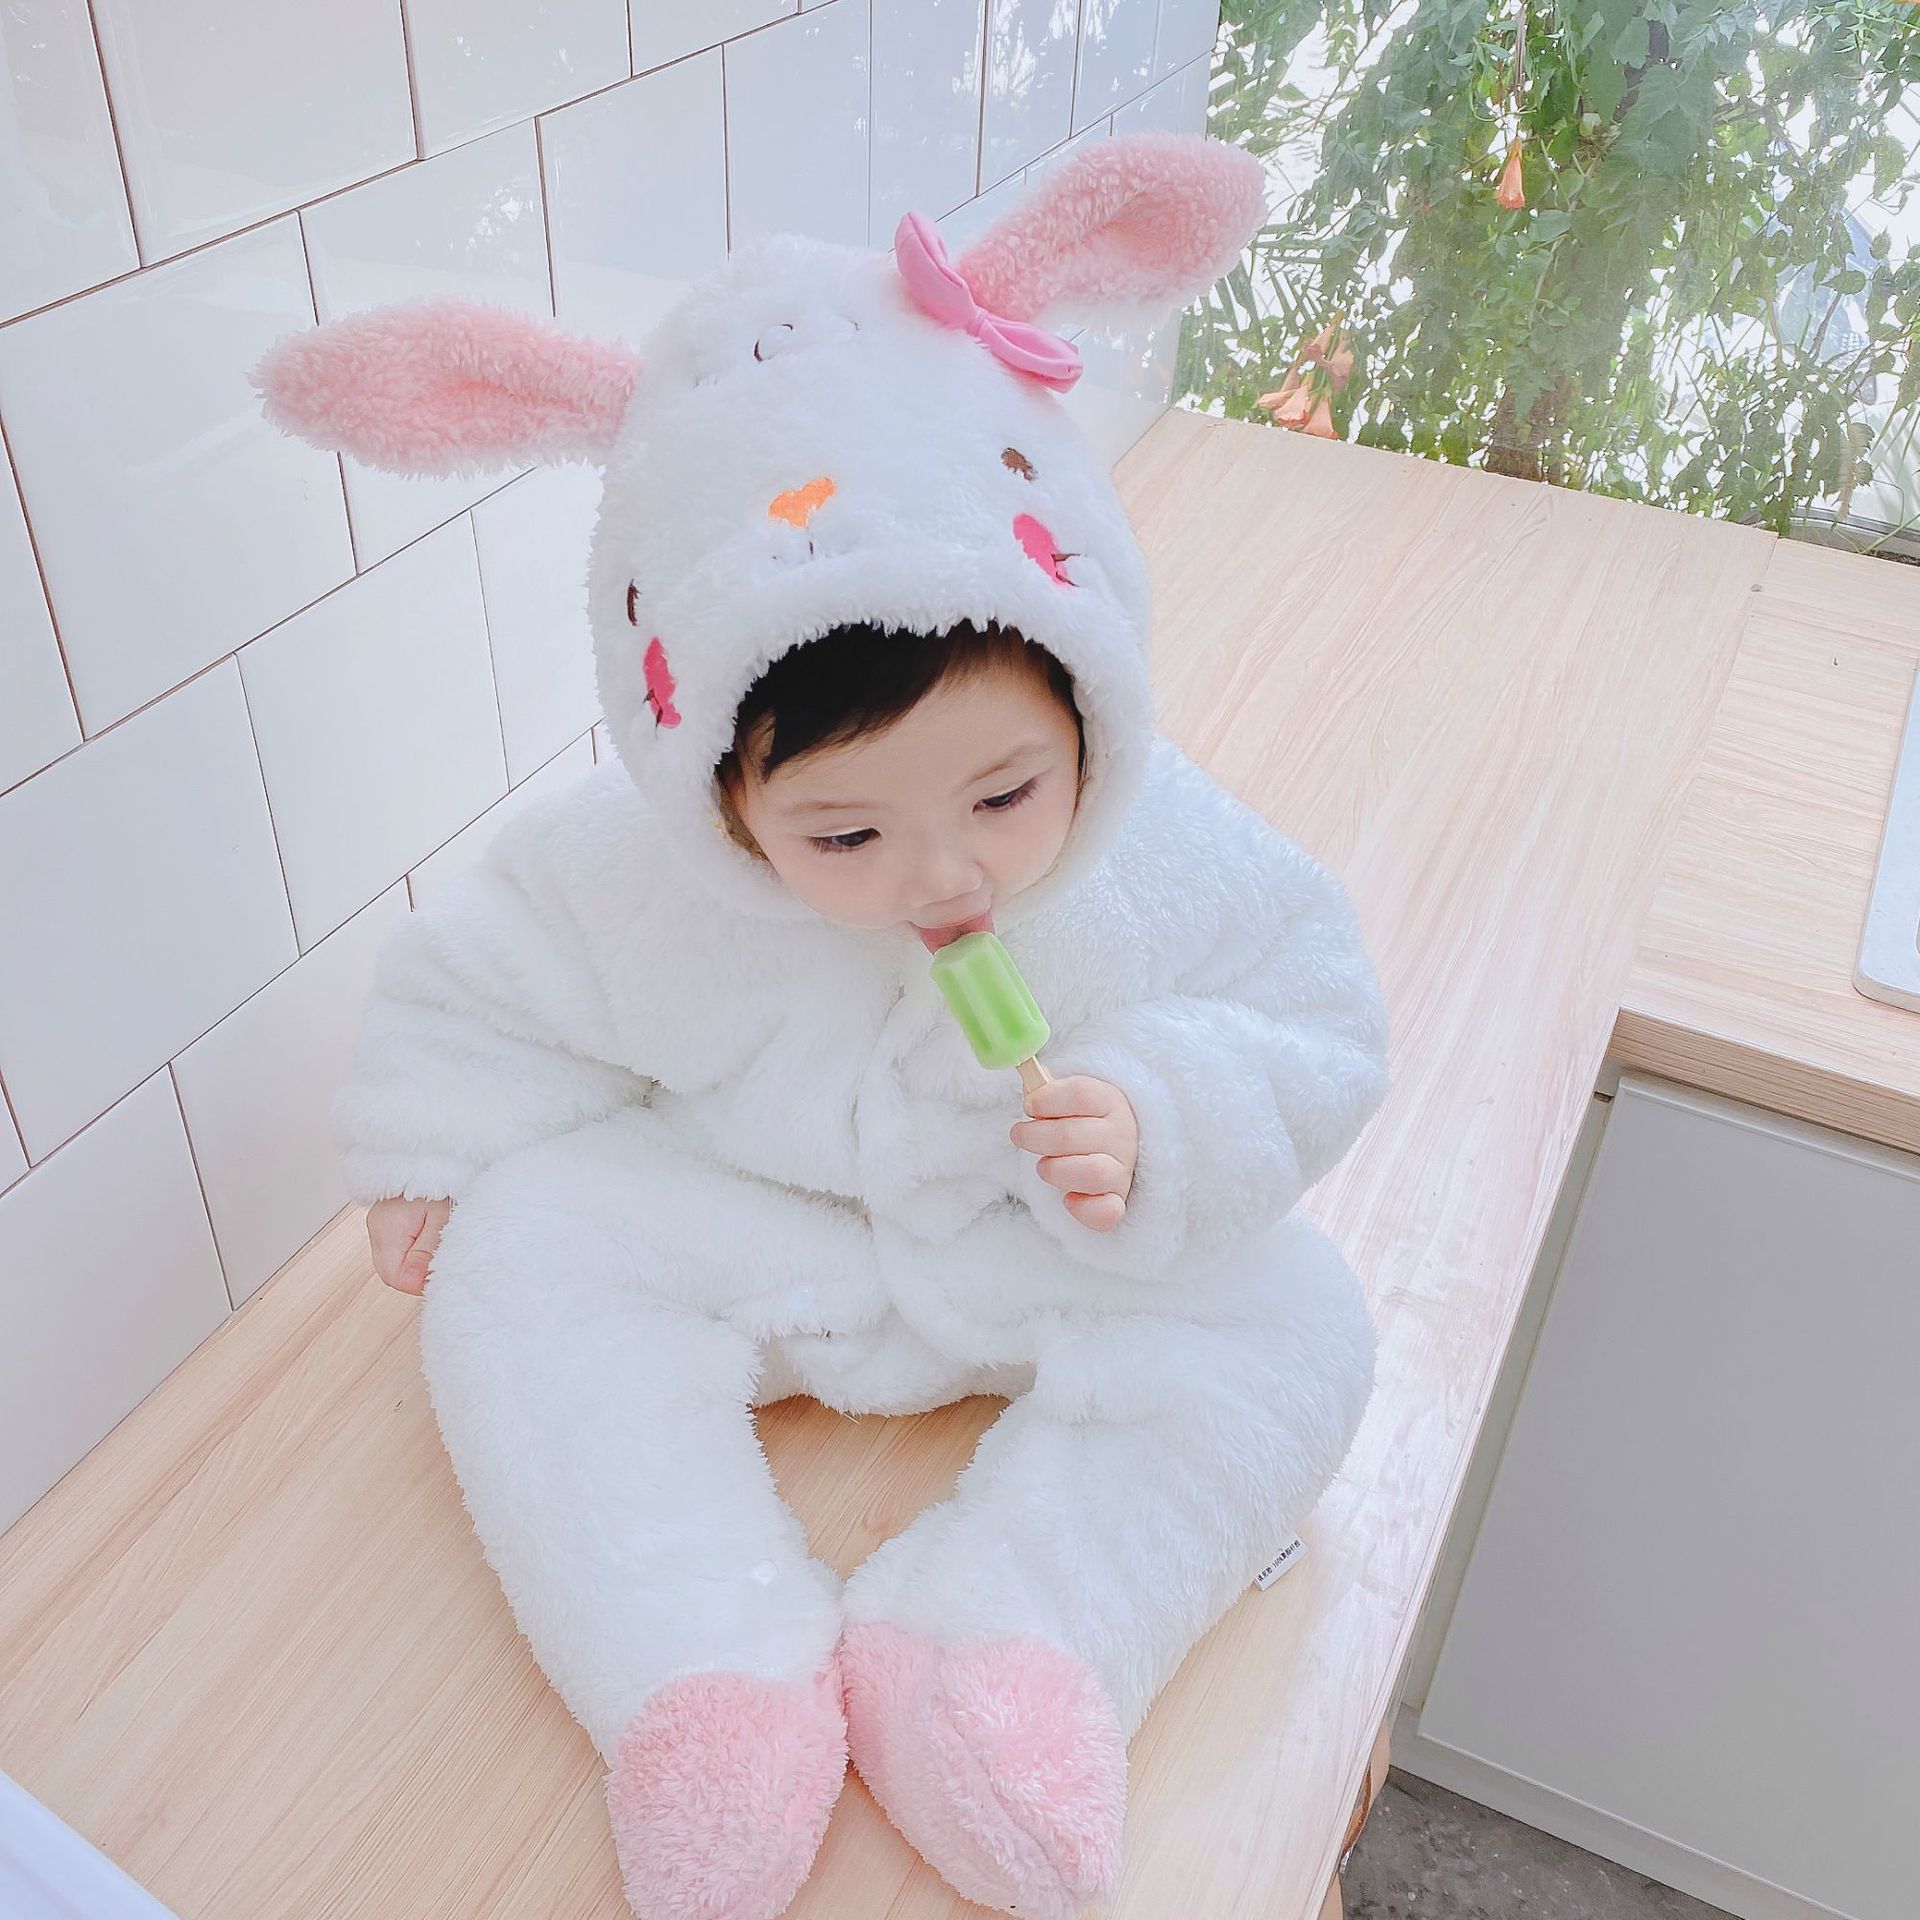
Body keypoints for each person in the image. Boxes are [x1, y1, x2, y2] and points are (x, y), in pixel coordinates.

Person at [256, 133, 1388, 1920]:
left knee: (1301, 1323)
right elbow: (491, 977)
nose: (945, 872)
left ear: (1092, 713)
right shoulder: (637, 870)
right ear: (712, 790)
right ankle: (704, 1677)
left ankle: (1006, 1652)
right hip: (761, 1220)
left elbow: (1316, 1009)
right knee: (522, 1258)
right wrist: (432, 1153)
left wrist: (1164, 1113)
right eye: (845, 837)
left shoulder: (1165, 852)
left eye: (1007, 797)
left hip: (1042, 1235)